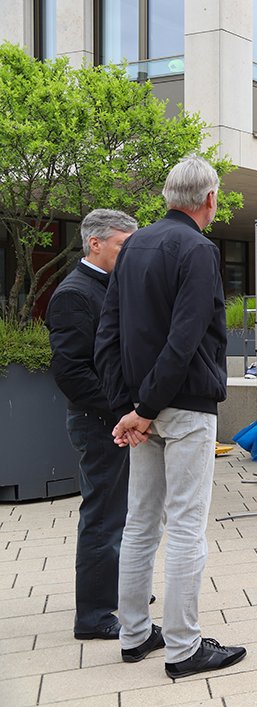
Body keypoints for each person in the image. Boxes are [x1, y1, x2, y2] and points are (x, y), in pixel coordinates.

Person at [95, 155, 245, 677]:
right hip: (180, 407)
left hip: (145, 407)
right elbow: (186, 338)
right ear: (209, 199)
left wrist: (128, 407)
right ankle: (183, 647)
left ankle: (135, 634)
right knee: (184, 527)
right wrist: (143, 408)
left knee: (140, 523)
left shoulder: (133, 246)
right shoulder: (198, 249)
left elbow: (107, 333)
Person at [46, 209, 136, 642]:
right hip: (99, 422)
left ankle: (114, 591)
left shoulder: (109, 287)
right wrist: (120, 413)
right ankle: (95, 615)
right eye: (123, 244)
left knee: (120, 513)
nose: (130, 253)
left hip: (114, 420)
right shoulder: (74, 294)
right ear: (95, 243)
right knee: (102, 517)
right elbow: (71, 372)